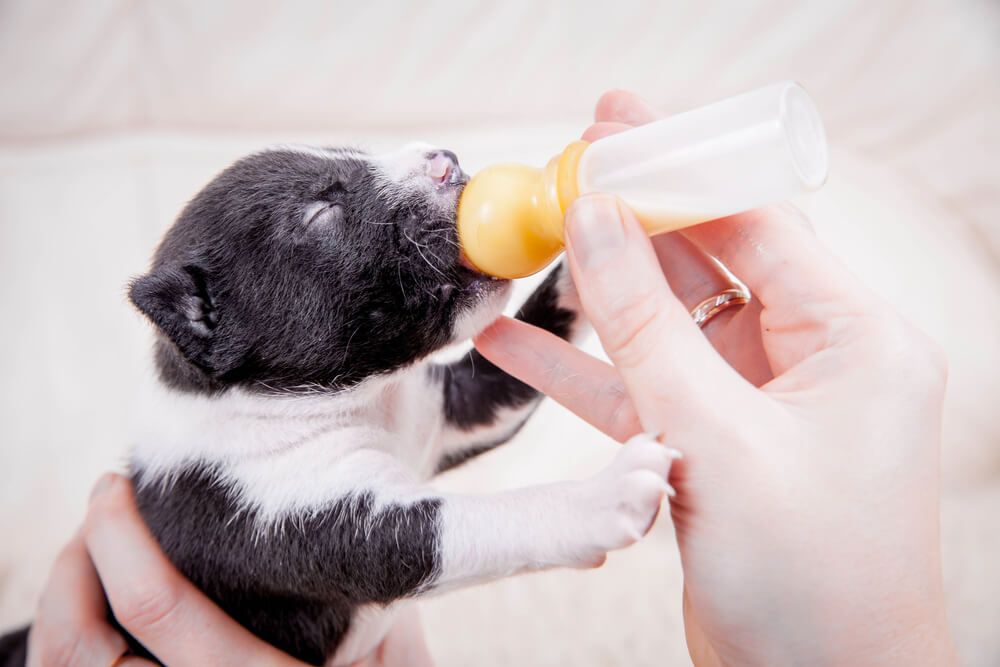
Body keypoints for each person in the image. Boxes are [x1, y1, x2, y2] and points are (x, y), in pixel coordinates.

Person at [23, 91, 958, 666]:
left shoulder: (346, 399)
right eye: (321, 214)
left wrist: (579, 281)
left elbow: (477, 401)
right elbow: (395, 546)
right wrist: (578, 514)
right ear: (205, 322)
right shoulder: (233, 479)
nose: (433, 167)